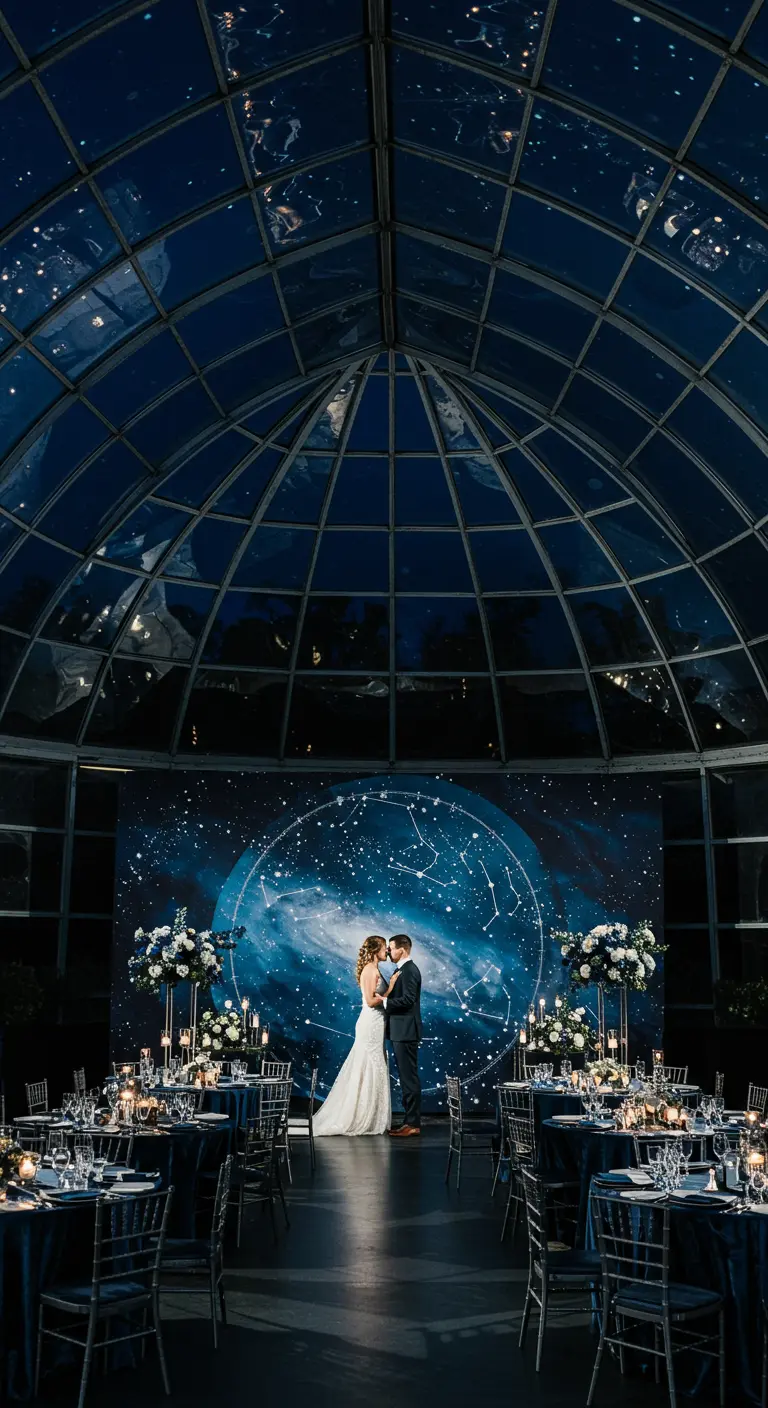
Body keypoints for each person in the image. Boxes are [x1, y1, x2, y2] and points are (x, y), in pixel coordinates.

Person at [313, 935, 399, 1137]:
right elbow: (370, 1001)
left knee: (376, 1064)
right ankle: (362, 1116)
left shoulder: (374, 969)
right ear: (374, 950)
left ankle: (372, 1115)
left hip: (378, 1023)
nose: (387, 951)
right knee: (369, 1064)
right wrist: (392, 988)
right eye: (384, 948)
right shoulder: (370, 970)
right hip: (370, 1023)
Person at [385, 934, 422, 1138]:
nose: (389, 952)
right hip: (402, 1031)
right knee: (406, 1077)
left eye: (391, 948)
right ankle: (409, 1121)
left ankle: (413, 1123)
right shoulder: (404, 970)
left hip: (406, 1031)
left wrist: (384, 1003)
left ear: (403, 949)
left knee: (409, 1078)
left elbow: (408, 1000)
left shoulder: (409, 970)